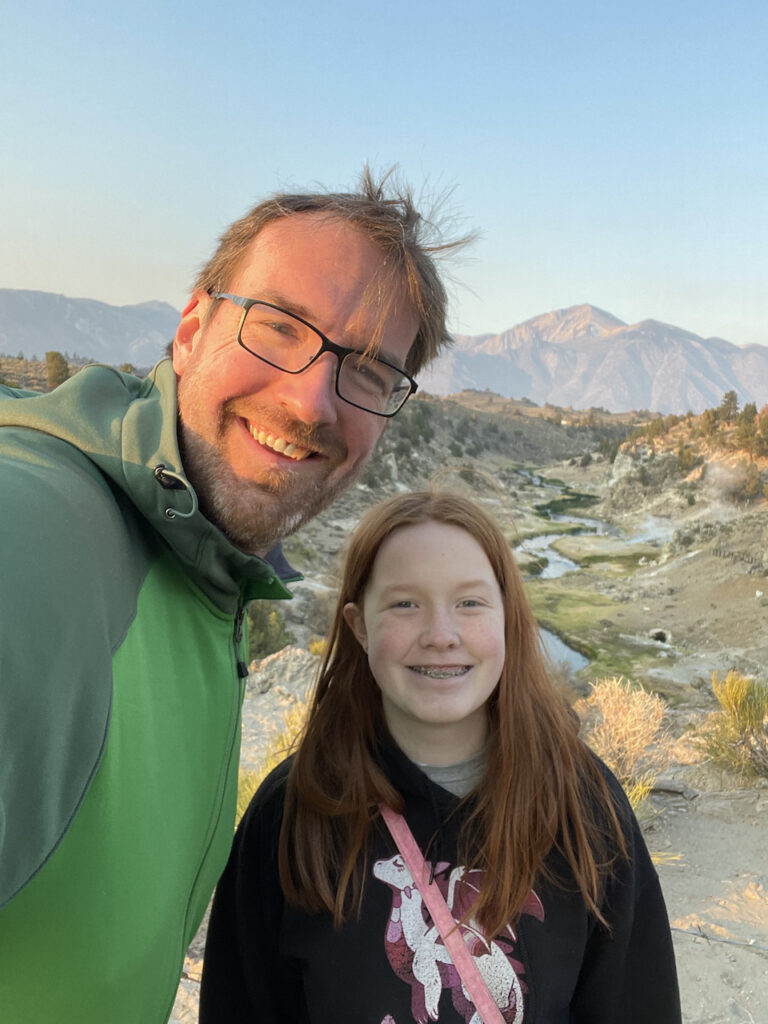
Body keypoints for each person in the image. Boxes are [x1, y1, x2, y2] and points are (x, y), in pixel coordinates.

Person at [0, 171, 461, 1023]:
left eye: (367, 371)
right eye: (279, 326)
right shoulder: (41, 538)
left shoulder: (203, 572)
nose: (309, 398)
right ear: (190, 328)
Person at [200, 490, 681, 1023]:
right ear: (360, 626)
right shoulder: (290, 813)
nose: (441, 636)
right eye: (405, 604)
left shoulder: (584, 804)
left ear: (507, 617)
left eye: (470, 603)